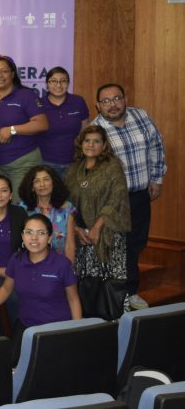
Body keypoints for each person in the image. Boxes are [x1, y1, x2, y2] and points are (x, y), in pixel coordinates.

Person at [91, 83, 167, 310]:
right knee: (119, 247)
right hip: (114, 202)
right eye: (106, 101)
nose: (112, 104)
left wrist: (157, 178)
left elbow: (157, 145)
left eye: (116, 98)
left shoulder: (140, 116)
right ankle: (123, 295)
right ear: (98, 105)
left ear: (125, 99)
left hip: (141, 195)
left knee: (137, 243)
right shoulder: (95, 132)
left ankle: (129, 292)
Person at [0, 214, 82, 363]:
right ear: (23, 236)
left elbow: (73, 299)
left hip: (57, 329)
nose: (34, 238)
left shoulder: (62, 264)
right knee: (12, 368)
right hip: (27, 326)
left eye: (41, 233)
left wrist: (77, 331)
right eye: (29, 232)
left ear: (50, 238)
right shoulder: (16, 260)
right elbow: (6, 289)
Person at [66, 125, 130, 312]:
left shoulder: (113, 166)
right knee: (86, 287)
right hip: (81, 237)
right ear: (81, 144)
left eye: (96, 141)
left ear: (104, 146)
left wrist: (97, 227)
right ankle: (89, 327)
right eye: (87, 140)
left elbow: (116, 198)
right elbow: (67, 203)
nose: (91, 145)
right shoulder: (74, 169)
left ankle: (115, 328)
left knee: (111, 286)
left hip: (108, 235)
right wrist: (76, 228)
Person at [0, 55, 48, 202]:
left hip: (22, 162)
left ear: (12, 74)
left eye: (4, 71)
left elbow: (42, 124)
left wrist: (12, 129)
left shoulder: (26, 95)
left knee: (19, 208)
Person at [38, 67, 89, 179]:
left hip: (74, 162)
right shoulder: (39, 104)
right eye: (53, 81)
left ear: (68, 83)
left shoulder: (78, 101)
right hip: (46, 163)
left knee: (72, 196)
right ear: (47, 84)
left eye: (63, 81)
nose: (58, 85)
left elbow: (85, 130)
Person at [19, 165, 77, 262]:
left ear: (53, 183)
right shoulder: (22, 208)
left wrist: (68, 271)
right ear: (32, 187)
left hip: (59, 266)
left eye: (46, 179)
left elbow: (70, 245)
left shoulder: (67, 208)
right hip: (29, 264)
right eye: (37, 181)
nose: (42, 184)